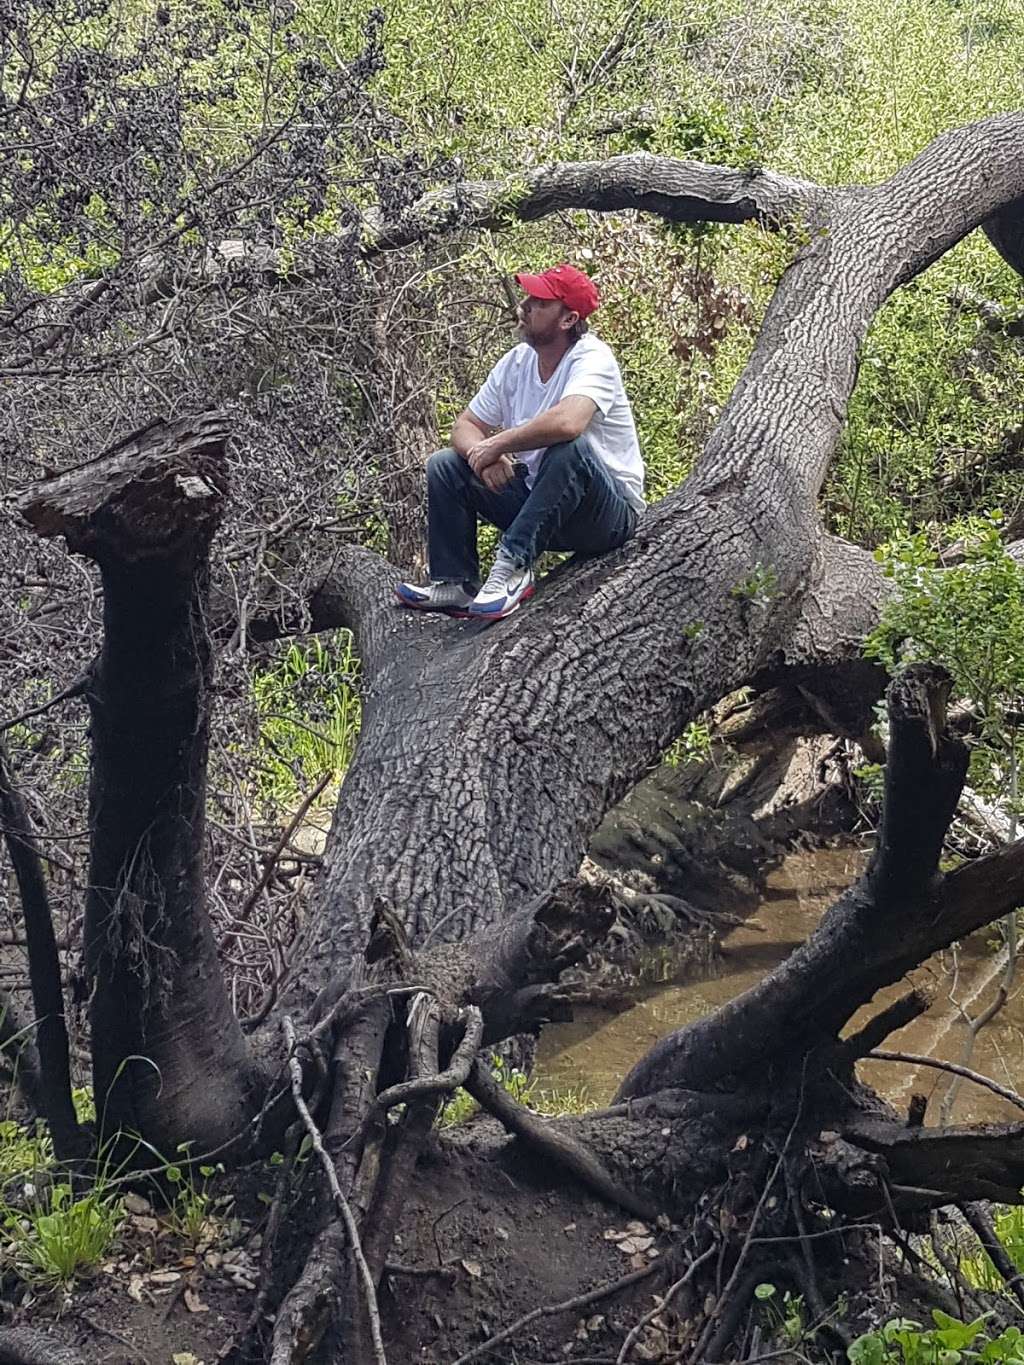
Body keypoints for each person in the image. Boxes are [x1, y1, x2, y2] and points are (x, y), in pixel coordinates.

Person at [395, 264, 645, 620]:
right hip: (544, 508)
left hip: (605, 515)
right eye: (528, 297)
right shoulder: (517, 362)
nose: (524, 306)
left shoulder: (593, 358)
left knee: (570, 449)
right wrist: (483, 455)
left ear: (568, 319)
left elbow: (569, 421)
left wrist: (498, 445)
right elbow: (465, 426)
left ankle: (513, 566)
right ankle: (456, 584)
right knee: (446, 464)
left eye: (539, 302)